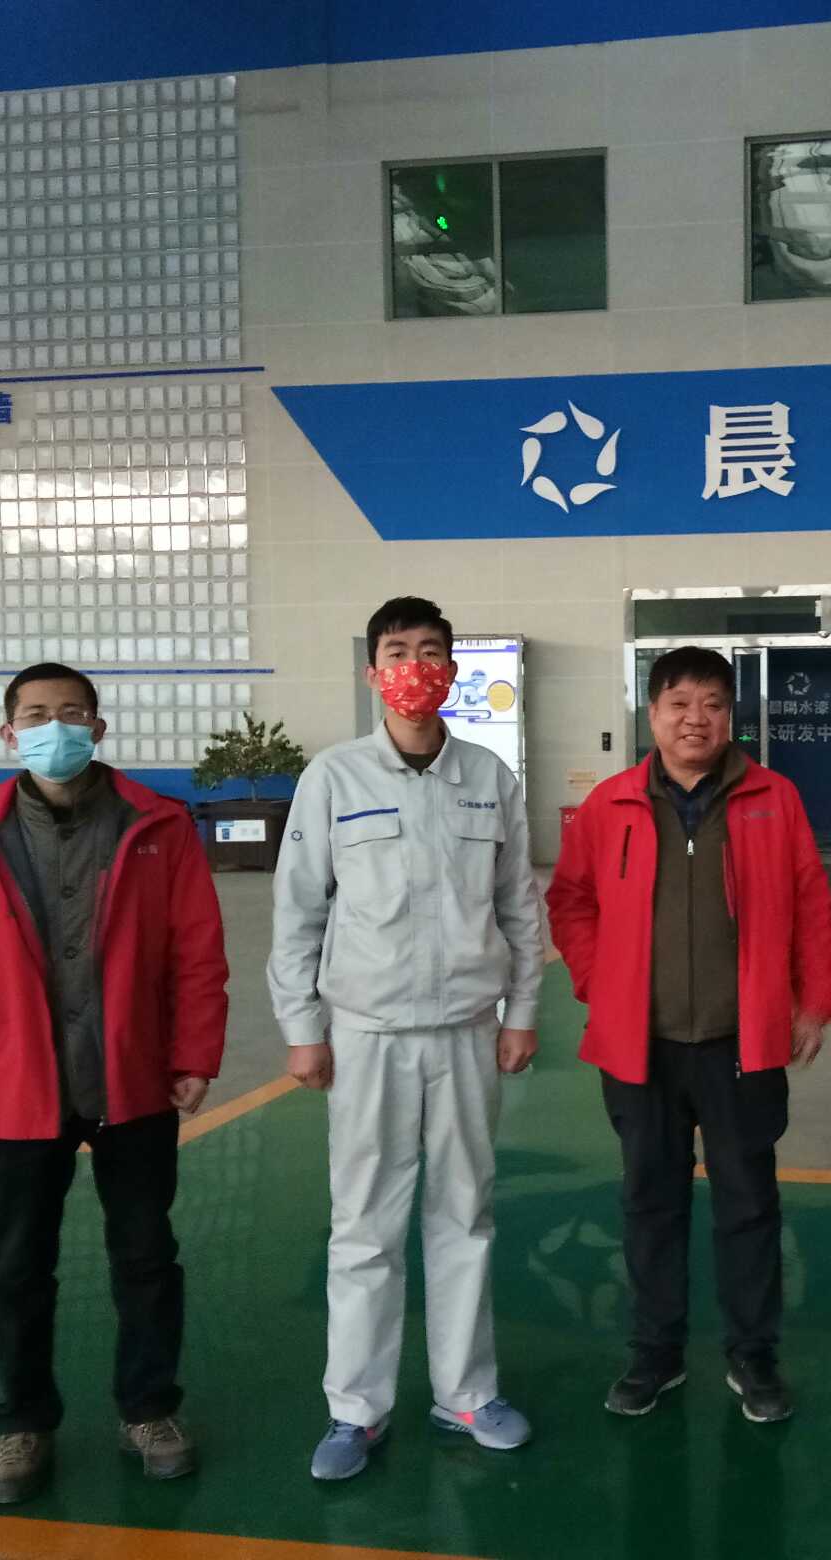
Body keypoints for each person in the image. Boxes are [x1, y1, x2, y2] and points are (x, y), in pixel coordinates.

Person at [0, 662, 229, 1506]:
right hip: (23, 1086)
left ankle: (149, 1410)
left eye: (71, 712)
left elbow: (197, 951)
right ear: (8, 733)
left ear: (98, 727)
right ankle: (24, 1422)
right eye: (35, 715)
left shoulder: (157, 826)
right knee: (18, 1264)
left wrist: (194, 1054)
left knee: (146, 1255)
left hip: (132, 1078)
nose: (53, 727)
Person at [270, 596, 545, 1481]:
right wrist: (303, 1028)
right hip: (367, 1035)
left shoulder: (489, 777)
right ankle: (356, 1409)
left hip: (466, 1032)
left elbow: (519, 906)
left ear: (452, 672)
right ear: (373, 671)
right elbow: (298, 911)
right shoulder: (334, 777)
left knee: (465, 1215)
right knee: (365, 1227)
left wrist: (522, 1012)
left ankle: (466, 1393)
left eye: (430, 652)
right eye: (397, 652)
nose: (414, 667)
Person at [548, 646, 831, 1424]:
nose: (695, 718)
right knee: (650, 1202)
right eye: (679, 703)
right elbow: (571, 900)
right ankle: (656, 1353)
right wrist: (598, 982)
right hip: (639, 1046)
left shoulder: (774, 797)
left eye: (712, 703)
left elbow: (812, 901)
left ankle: (753, 1356)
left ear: (730, 716)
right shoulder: (610, 804)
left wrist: (813, 1001)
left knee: (748, 1203)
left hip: (744, 1043)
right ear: (652, 714)